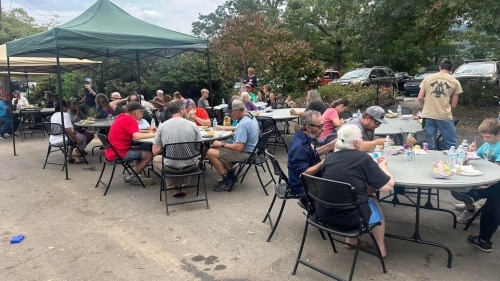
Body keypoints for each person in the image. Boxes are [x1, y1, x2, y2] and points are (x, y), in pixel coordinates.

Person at [320, 124, 394, 258]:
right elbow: (387, 187)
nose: (363, 140)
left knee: (355, 194)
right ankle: (381, 248)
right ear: (355, 142)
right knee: (373, 199)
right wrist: (382, 166)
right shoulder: (363, 158)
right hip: (352, 220)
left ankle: (351, 241)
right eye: (362, 138)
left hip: (324, 215)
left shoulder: (330, 158)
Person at [451, 119, 500, 223]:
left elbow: (497, 170)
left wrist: (487, 184)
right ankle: (469, 204)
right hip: (485, 177)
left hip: (494, 182)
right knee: (456, 185)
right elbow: (471, 158)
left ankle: (470, 210)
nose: (485, 139)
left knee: (464, 191)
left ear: (498, 133)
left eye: (488, 137)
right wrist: (470, 152)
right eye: (483, 136)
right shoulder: (487, 145)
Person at [207, 100, 260, 192]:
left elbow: (239, 148)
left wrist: (222, 144)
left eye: (231, 112)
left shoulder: (243, 124)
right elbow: (258, 133)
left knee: (210, 152)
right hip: (253, 150)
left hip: (246, 153)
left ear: (237, 111)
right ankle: (231, 176)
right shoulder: (251, 117)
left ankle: (227, 180)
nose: (229, 114)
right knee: (216, 148)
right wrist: (236, 134)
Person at [152, 100, 202, 196]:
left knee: (155, 159)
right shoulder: (193, 125)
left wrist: (165, 145)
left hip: (170, 166)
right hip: (190, 165)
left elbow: (155, 151)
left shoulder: (162, 126)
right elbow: (198, 147)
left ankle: (171, 185)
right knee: (197, 157)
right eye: (184, 108)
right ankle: (185, 184)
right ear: (181, 110)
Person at [287, 110, 337, 205]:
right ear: (308, 127)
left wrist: (330, 146)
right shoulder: (299, 146)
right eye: (320, 126)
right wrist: (325, 161)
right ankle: (321, 212)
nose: (323, 129)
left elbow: (312, 153)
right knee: (339, 187)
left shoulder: (305, 137)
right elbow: (304, 174)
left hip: (311, 180)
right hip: (303, 186)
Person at [105, 101, 156, 185]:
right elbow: (137, 136)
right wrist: (155, 134)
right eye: (141, 111)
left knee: (141, 149)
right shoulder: (131, 120)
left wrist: (148, 130)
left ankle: (137, 174)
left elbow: (132, 131)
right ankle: (133, 176)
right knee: (149, 155)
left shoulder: (122, 116)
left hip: (111, 151)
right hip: (119, 154)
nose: (142, 113)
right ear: (136, 111)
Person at [418, 58, 462, 149]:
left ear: (439, 67)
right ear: (452, 68)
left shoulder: (428, 78)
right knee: (451, 145)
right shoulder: (455, 82)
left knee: (431, 145)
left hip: (429, 115)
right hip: (444, 116)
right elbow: (454, 105)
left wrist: (425, 107)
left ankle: (433, 162)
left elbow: (420, 97)